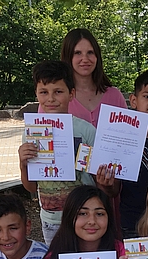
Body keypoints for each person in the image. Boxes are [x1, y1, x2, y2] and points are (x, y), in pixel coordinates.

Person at [19, 60, 101, 245]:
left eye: (58, 91)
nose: (51, 99)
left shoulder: (86, 131)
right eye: (44, 92)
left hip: (85, 217)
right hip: (51, 220)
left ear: (71, 94)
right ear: (36, 94)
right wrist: (22, 163)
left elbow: (100, 181)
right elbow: (31, 188)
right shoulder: (31, 133)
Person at [98, 70, 148, 238]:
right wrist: (106, 183)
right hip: (132, 223)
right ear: (134, 100)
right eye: (147, 96)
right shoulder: (119, 141)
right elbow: (114, 191)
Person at [59, 28, 127, 127]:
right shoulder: (55, 98)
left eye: (90, 52)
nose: (85, 59)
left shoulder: (115, 96)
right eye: (78, 53)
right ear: (68, 56)